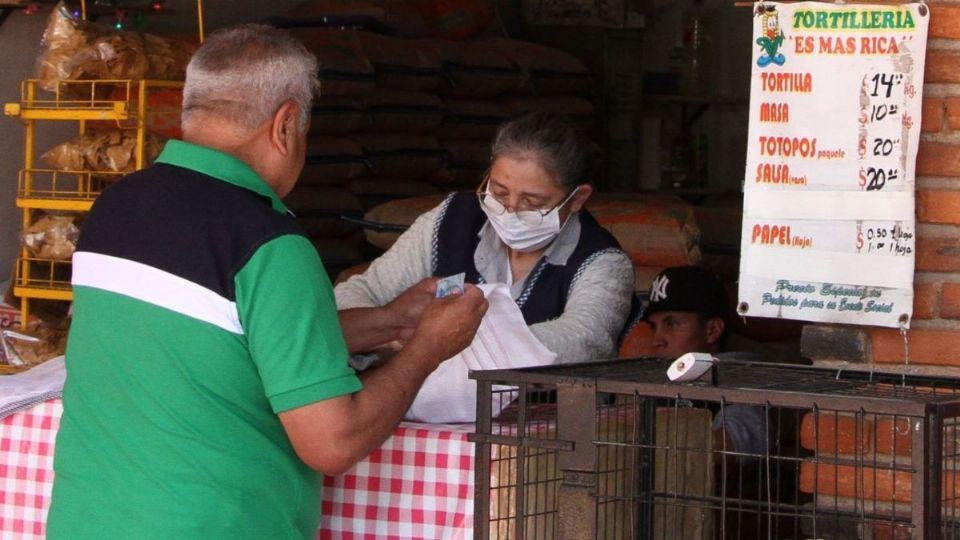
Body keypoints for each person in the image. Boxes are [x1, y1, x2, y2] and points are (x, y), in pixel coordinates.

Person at [46, 25, 487, 540]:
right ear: (286, 125)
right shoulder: (268, 243)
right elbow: (333, 442)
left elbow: (216, 343)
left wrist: (389, 321)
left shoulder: (116, 209)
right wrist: (429, 347)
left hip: (85, 523)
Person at [336, 112, 636, 366]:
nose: (510, 210)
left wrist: (437, 344)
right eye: (500, 192)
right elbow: (358, 294)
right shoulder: (451, 221)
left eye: (532, 202)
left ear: (576, 199)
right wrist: (392, 328)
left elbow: (581, 341)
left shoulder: (602, 262)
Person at [643, 265, 767, 457]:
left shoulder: (739, 380)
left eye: (671, 324)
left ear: (712, 330)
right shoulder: (659, 376)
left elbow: (733, 446)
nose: (657, 340)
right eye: (654, 327)